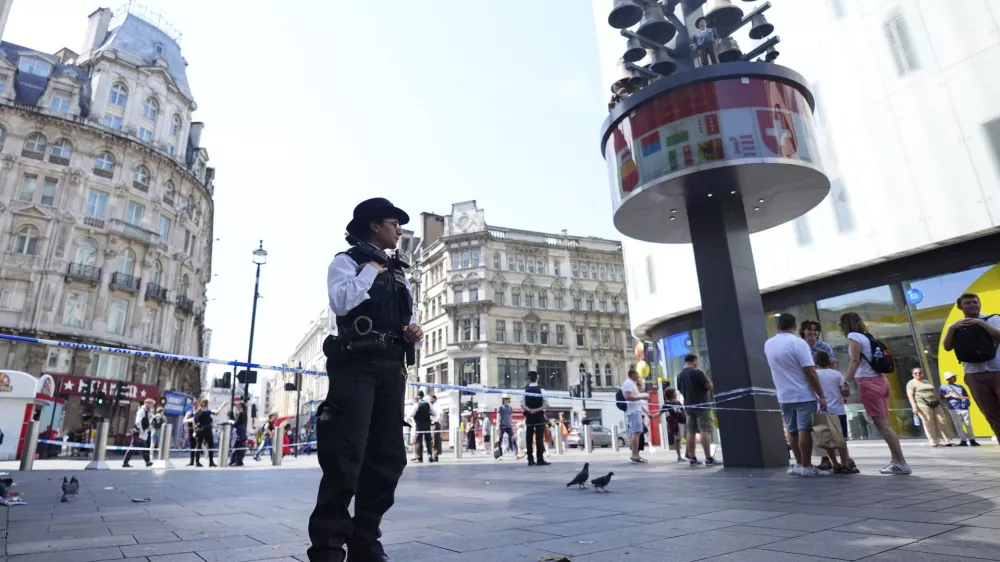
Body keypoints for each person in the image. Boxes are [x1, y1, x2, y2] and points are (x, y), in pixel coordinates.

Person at [308, 197, 422, 562]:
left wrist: (411, 329)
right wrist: (371, 270)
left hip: (392, 367)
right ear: (374, 225)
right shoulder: (347, 262)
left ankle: (365, 539)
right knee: (346, 454)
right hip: (355, 365)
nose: (399, 231)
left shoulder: (401, 272)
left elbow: (407, 313)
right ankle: (327, 548)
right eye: (393, 224)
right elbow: (342, 303)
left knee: (388, 456)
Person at [840, 312, 911, 475]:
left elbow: (855, 360)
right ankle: (896, 461)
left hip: (868, 383)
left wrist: (846, 382)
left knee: (884, 426)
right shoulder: (867, 336)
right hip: (881, 381)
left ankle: (901, 462)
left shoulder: (854, 336)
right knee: (887, 425)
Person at [765, 313, 829, 477]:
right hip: (803, 394)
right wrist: (821, 395)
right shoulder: (798, 343)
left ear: (778, 326)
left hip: (784, 394)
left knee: (791, 430)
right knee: (805, 429)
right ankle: (807, 466)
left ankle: (799, 464)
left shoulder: (769, 344)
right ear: (794, 327)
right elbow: (810, 371)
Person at [943, 293, 1000, 440]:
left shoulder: (993, 318)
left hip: (997, 369)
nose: (973, 305)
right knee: (990, 414)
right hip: (973, 373)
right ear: (960, 307)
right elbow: (947, 347)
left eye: (975, 302)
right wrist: (952, 328)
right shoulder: (955, 326)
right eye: (968, 303)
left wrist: (980, 323)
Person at [814, 351, 857, 474]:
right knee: (841, 440)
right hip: (838, 411)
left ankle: (835, 463)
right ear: (829, 362)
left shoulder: (814, 375)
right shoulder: (837, 374)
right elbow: (844, 392)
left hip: (822, 410)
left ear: (815, 362)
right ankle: (844, 463)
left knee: (826, 440)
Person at [676, 354, 718, 467]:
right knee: (705, 430)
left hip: (689, 407)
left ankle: (693, 458)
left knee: (691, 432)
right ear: (694, 360)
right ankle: (708, 457)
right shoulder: (697, 372)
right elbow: (710, 387)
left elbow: (680, 390)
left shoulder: (679, 375)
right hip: (702, 405)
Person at [907, 367, 954, 447]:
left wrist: (941, 403)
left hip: (935, 403)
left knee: (942, 421)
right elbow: (910, 396)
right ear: (912, 374)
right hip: (922, 404)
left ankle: (948, 440)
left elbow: (935, 393)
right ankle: (933, 441)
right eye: (916, 373)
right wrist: (914, 406)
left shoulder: (926, 381)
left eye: (920, 373)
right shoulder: (911, 383)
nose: (918, 374)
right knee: (928, 422)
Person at [940, 372, 979, 446]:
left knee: (968, 424)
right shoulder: (943, 387)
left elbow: (967, 396)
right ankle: (963, 440)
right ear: (948, 379)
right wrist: (950, 395)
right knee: (958, 424)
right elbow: (941, 396)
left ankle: (972, 439)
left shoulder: (960, 386)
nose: (954, 378)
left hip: (963, 406)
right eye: (953, 377)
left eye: (954, 376)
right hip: (953, 407)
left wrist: (962, 398)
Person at [520, 371, 550, 466]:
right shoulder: (542, 390)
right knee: (539, 438)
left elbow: (522, 404)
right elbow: (546, 404)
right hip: (539, 416)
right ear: (537, 378)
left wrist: (530, 410)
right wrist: (537, 409)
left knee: (529, 438)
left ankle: (530, 459)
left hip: (529, 416)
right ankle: (540, 459)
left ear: (528, 379)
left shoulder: (524, 390)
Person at [621, 368, 649, 463]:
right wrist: (643, 396)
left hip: (635, 410)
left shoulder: (631, 384)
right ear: (633, 375)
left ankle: (636, 454)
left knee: (637, 432)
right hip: (633, 411)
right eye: (637, 375)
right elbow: (628, 397)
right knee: (636, 432)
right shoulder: (628, 384)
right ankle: (634, 455)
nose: (638, 377)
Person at [194, 398, 227, 468]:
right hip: (201, 430)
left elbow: (216, 412)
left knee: (210, 445)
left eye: (206, 403)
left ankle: (211, 462)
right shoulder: (200, 411)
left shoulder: (207, 410)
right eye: (204, 403)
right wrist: (197, 427)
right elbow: (195, 420)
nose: (205, 404)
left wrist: (222, 406)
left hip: (207, 429)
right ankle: (197, 462)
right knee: (198, 445)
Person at [123, 398, 155, 468]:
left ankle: (147, 461)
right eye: (151, 405)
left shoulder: (147, 411)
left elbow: (146, 420)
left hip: (142, 432)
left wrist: (148, 427)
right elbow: (138, 421)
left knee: (143, 447)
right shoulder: (142, 411)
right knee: (133, 447)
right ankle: (125, 462)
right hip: (138, 432)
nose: (152, 407)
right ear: (147, 404)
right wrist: (140, 428)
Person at [407, 391, 436, 463]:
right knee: (428, 440)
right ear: (423, 396)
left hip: (419, 425)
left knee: (419, 441)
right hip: (427, 424)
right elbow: (434, 413)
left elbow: (410, 414)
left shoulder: (416, 405)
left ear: (418, 397)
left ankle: (420, 458)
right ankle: (430, 456)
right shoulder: (428, 404)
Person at [663, 388, 686, 463]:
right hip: (676, 424)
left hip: (684, 422)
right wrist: (652, 416)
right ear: (671, 394)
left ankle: (688, 454)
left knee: (688, 437)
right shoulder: (667, 404)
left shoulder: (678, 402)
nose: (676, 393)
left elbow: (683, 411)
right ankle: (679, 456)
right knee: (678, 439)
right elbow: (660, 412)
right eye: (674, 392)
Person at [429, 394, 442, 460]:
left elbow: (439, 415)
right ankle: (431, 455)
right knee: (430, 440)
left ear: (434, 399)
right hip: (430, 424)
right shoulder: (429, 405)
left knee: (435, 440)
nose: (430, 400)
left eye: (431, 398)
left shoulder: (437, 406)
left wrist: (434, 420)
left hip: (435, 424)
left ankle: (435, 456)